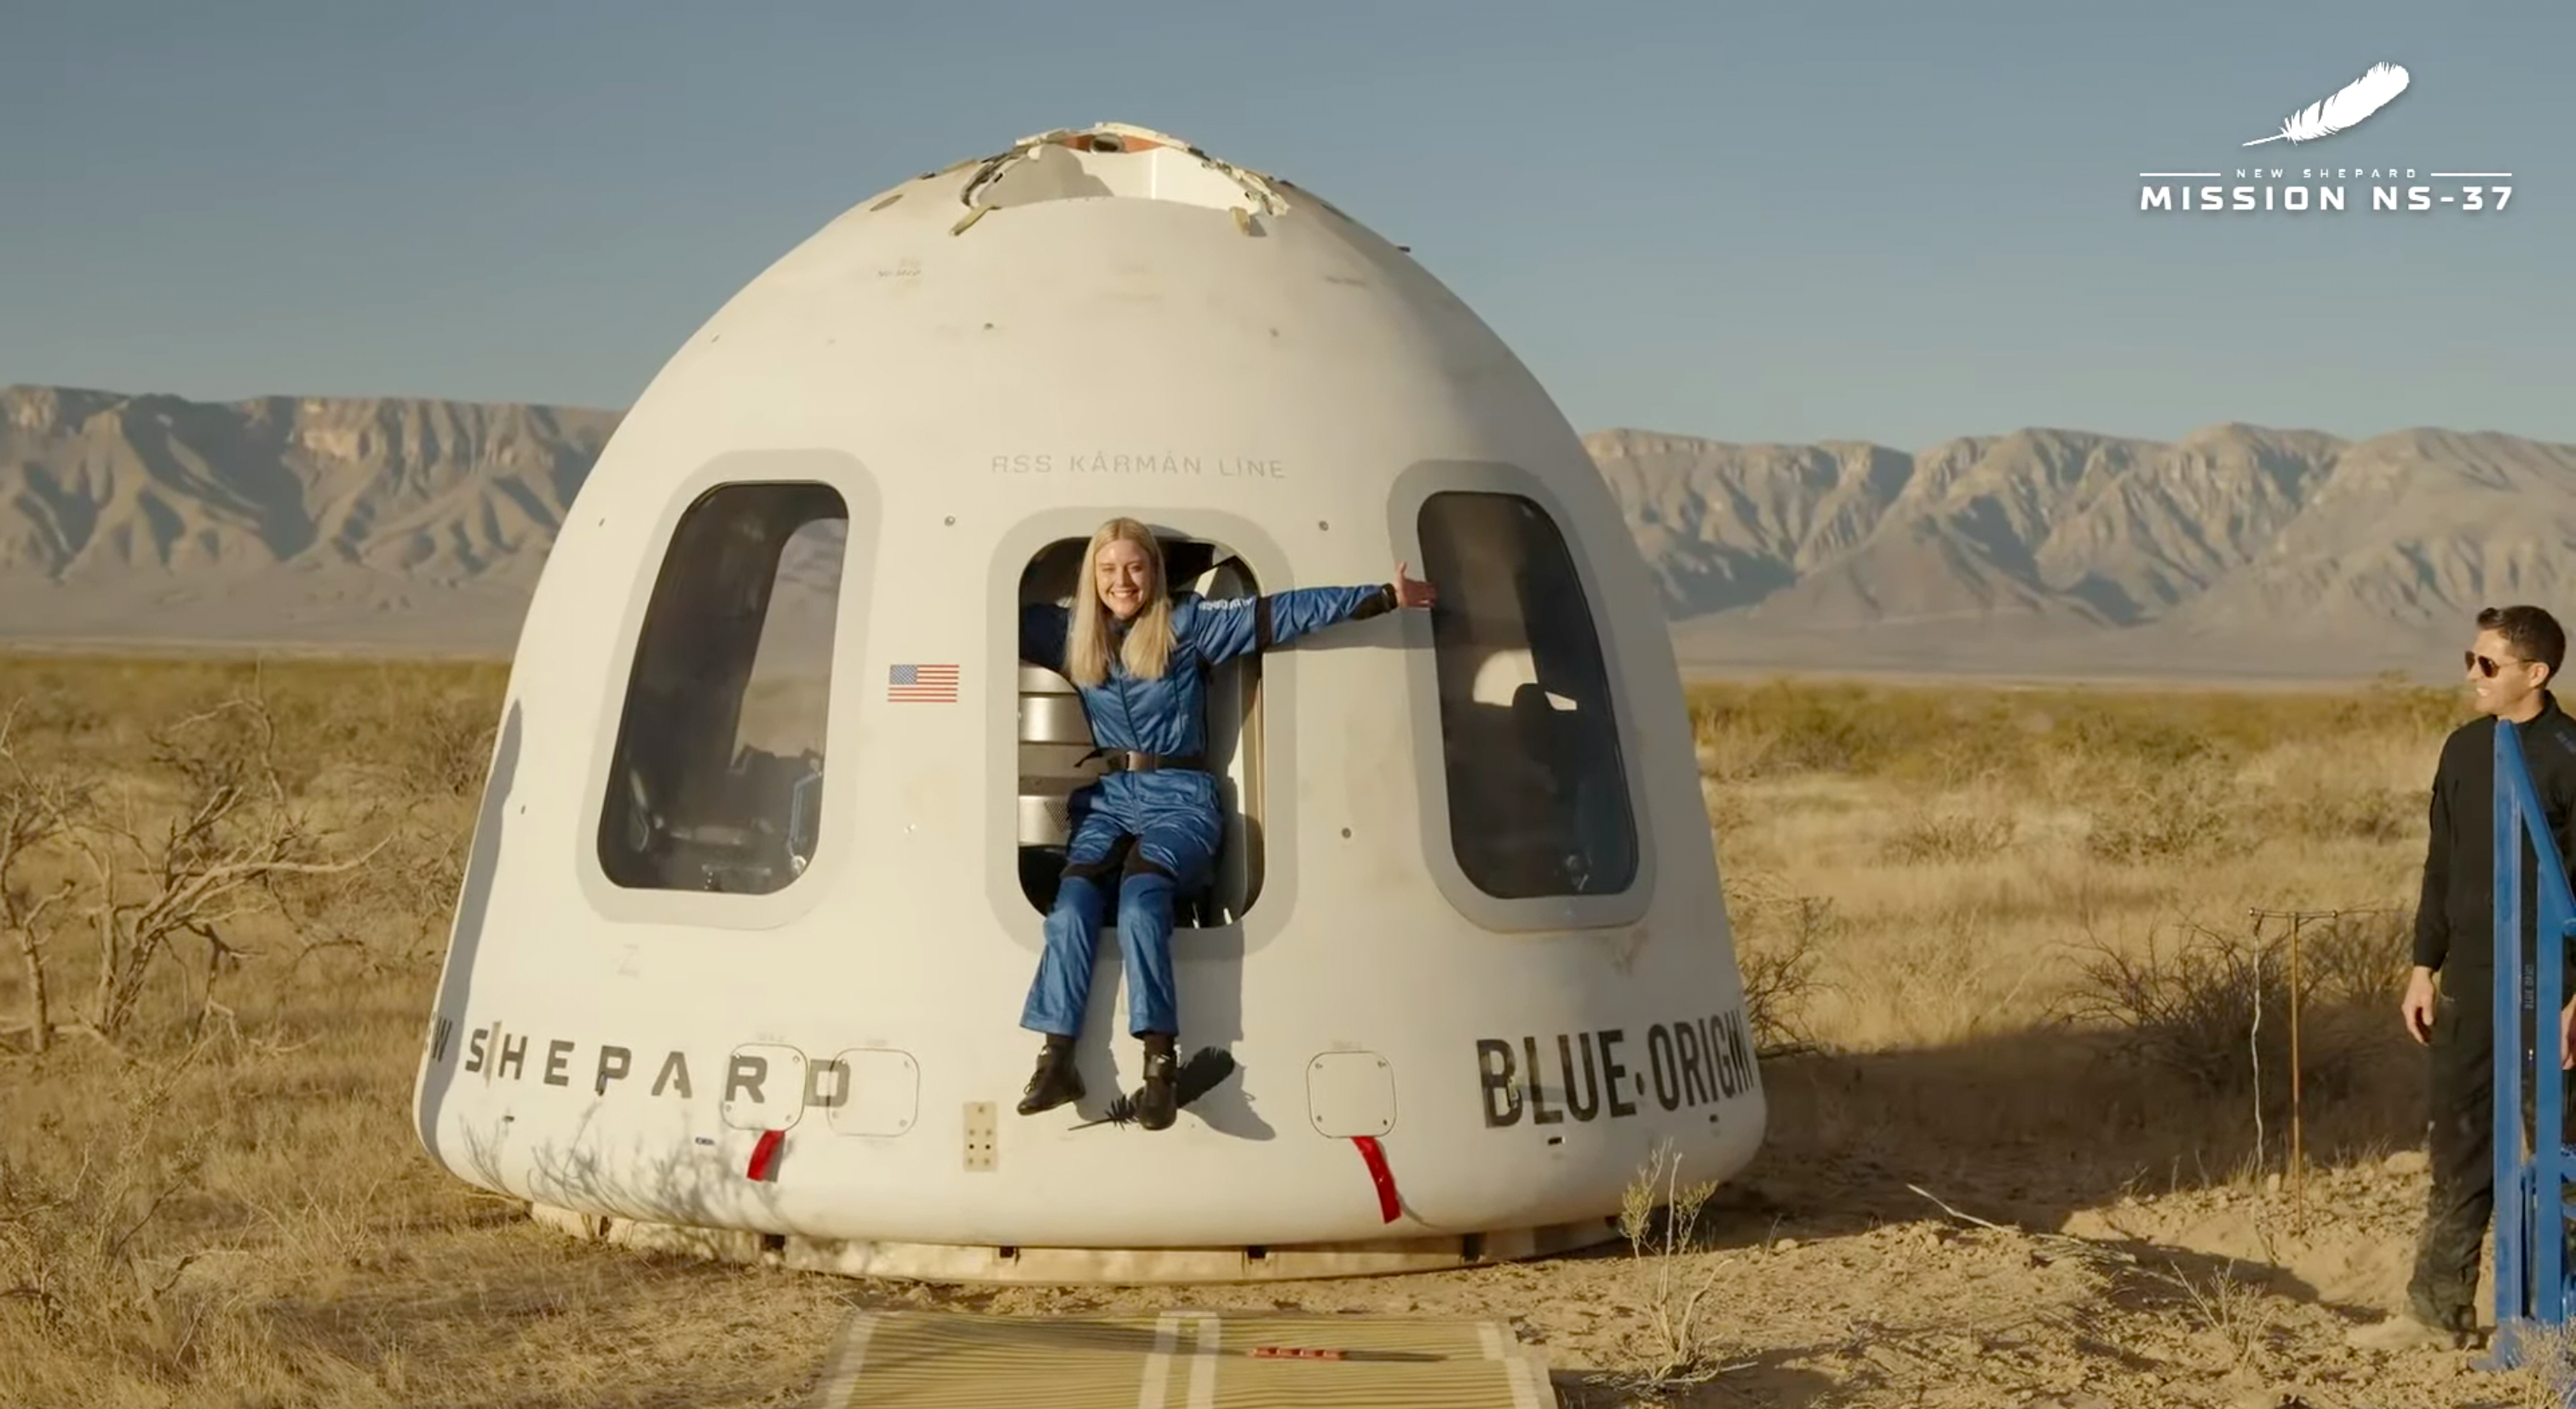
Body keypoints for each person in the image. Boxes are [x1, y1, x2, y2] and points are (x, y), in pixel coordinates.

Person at [1011, 517, 1436, 1130]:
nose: (1121, 581)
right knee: (1073, 904)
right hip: (1111, 797)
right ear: (1092, 577)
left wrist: (1380, 597)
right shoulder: (1072, 634)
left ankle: (1160, 1063)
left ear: (1153, 571)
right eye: (1107, 570)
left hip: (1180, 796)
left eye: (1134, 567)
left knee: (1141, 899)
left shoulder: (1187, 626)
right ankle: (1057, 1056)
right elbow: (978, 607)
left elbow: (1280, 614)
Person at [2360, 605, 2576, 1349]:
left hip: (2552, 987)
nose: (2471, 675)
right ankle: (2435, 1310)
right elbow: (2441, 866)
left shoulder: (2570, 756)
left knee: (2560, 1148)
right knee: (2459, 1141)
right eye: (2470, 658)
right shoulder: (2462, 750)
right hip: (2470, 981)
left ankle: (2560, 1322)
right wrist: (2423, 966)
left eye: (2487, 664)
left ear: (2535, 673)